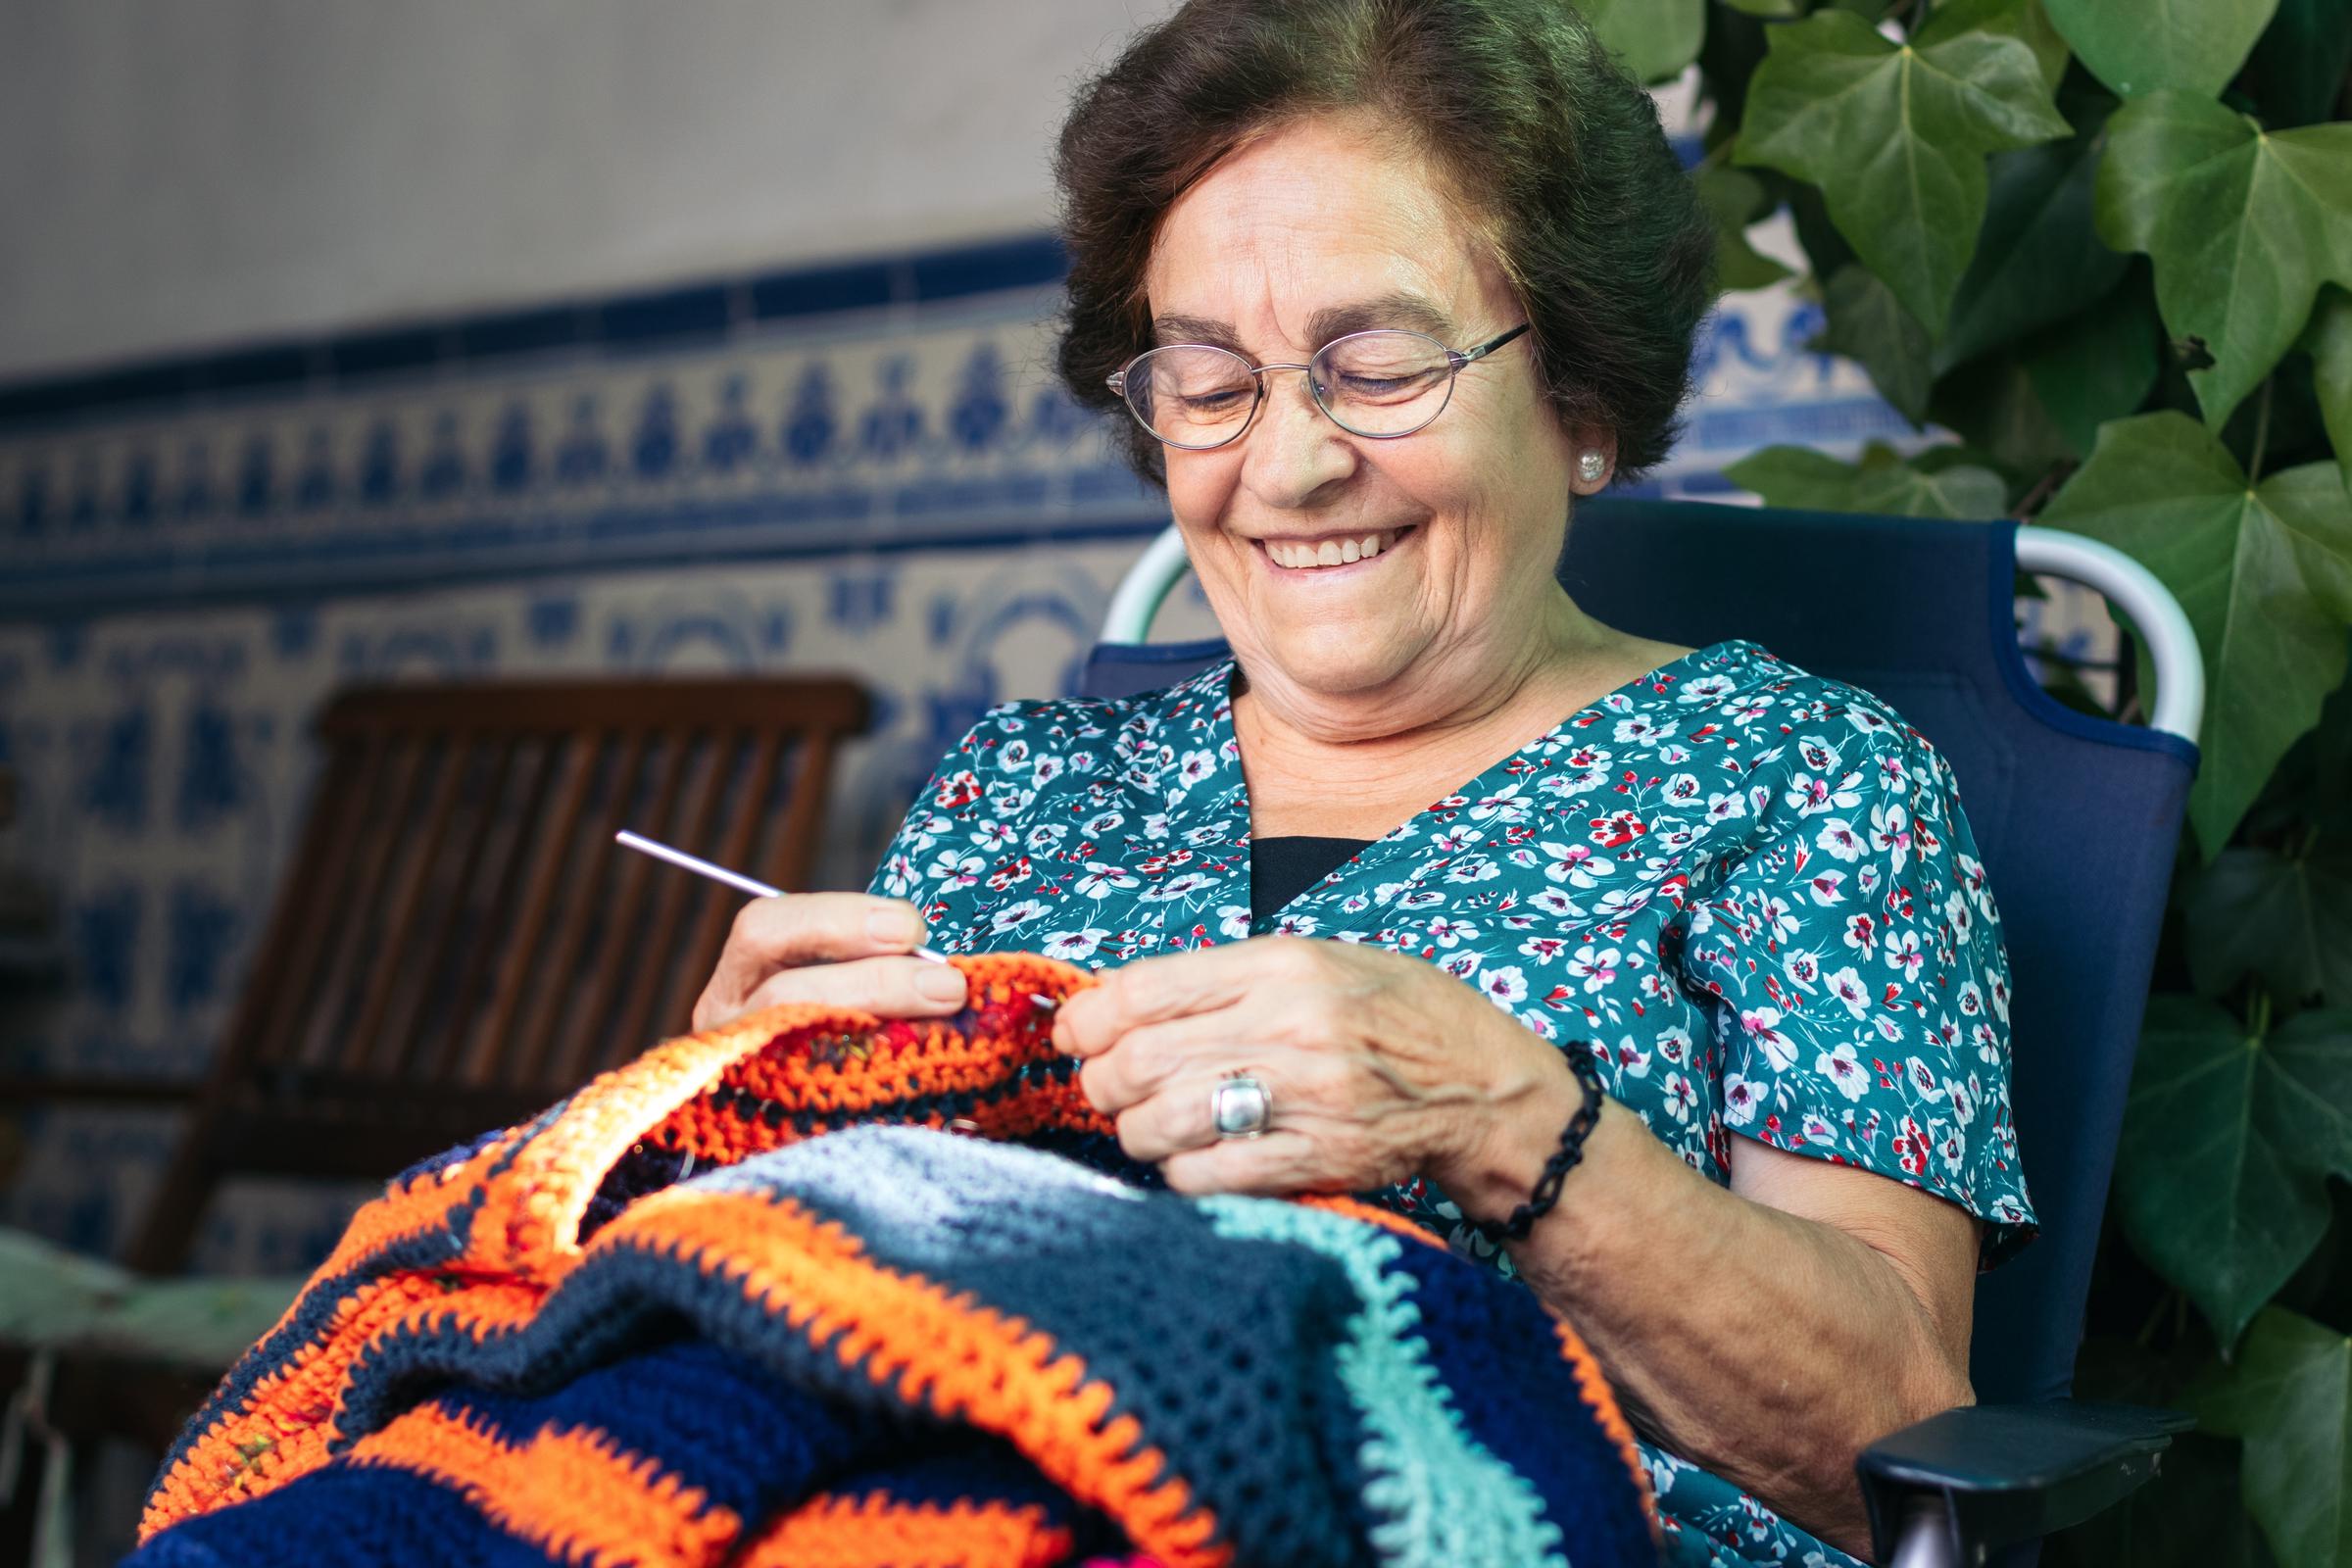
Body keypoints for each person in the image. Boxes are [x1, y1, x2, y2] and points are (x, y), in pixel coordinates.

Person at [695, 3, 2033, 1562]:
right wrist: (731, 1128)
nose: (1290, 463)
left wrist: (1499, 1115)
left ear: (1582, 402)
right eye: (1208, 380)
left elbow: (1885, 1444)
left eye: (1377, 364)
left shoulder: (1804, 783)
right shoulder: (1020, 783)